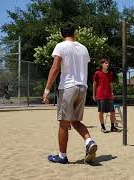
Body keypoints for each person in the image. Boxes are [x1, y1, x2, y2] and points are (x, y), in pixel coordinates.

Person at [42, 23, 97, 164]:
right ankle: (89, 141)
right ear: (75, 33)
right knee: (76, 121)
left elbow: (55, 68)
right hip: (82, 87)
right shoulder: (84, 48)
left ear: (61, 34)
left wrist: (47, 89)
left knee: (63, 123)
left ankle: (62, 156)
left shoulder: (61, 46)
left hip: (68, 87)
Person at [93, 58, 119, 133]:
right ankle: (103, 127)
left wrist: (112, 93)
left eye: (108, 63)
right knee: (101, 112)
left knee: (112, 112)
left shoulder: (110, 73)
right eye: (106, 63)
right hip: (100, 95)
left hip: (109, 95)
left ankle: (112, 127)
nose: (107, 64)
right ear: (102, 64)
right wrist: (94, 95)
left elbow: (111, 84)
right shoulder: (97, 73)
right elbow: (94, 85)